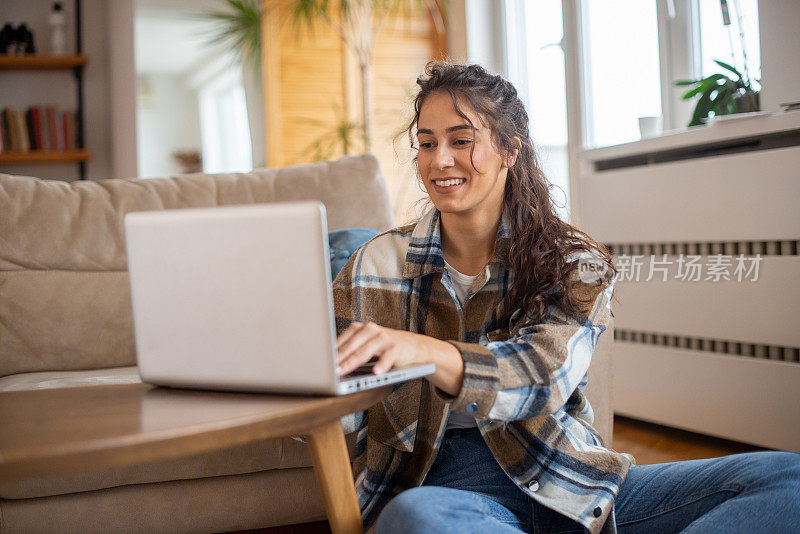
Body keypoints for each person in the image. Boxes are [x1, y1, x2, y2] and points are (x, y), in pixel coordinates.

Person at [332, 61, 800, 534]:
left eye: (461, 140)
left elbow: (544, 377)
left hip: (567, 475)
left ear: (510, 151)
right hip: (448, 495)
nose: (439, 160)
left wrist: (425, 352)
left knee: (787, 480)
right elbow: (323, 396)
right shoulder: (373, 267)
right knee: (416, 519)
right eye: (427, 144)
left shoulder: (574, 261)